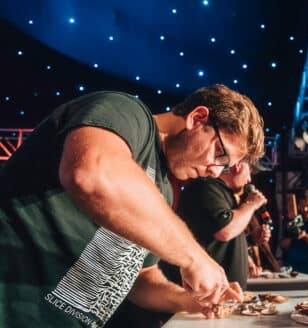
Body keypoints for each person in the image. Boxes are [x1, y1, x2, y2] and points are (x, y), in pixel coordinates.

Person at [0, 84, 263, 327]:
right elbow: (91, 174)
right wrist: (194, 258)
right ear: (197, 118)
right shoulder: (126, 112)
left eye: (226, 166)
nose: (216, 172)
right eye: (220, 154)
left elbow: (139, 279)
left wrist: (188, 300)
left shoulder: (162, 191)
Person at [159, 161, 267, 290]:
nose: (249, 179)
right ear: (238, 166)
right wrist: (251, 204)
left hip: (220, 294)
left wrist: (246, 255)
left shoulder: (222, 192)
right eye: (249, 171)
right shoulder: (206, 186)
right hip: (205, 293)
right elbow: (224, 230)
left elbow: (217, 238)